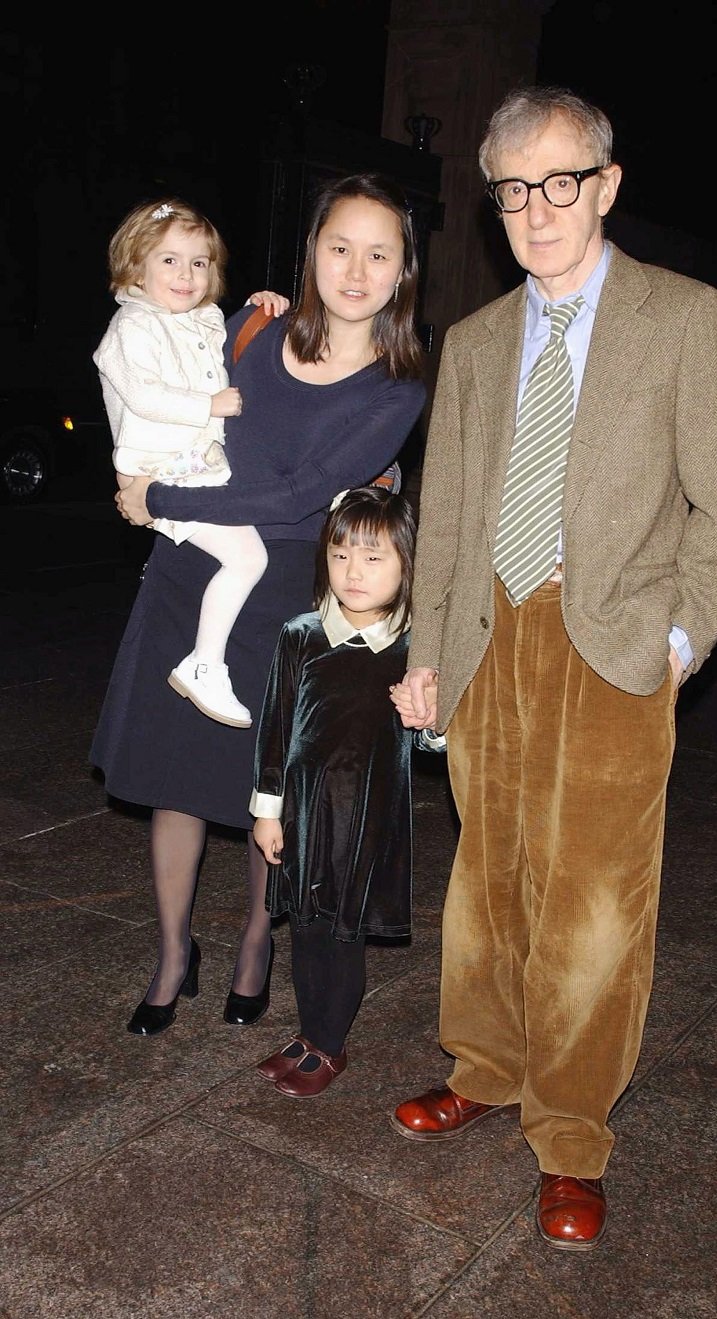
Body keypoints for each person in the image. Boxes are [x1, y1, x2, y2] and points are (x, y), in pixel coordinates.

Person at [389, 85, 717, 1251]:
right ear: (493, 201)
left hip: (608, 644)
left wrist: (677, 641)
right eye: (511, 189)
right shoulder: (476, 339)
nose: (535, 209)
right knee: (484, 879)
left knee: (595, 904)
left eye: (558, 182)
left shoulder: (683, 316)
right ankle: (487, 1064)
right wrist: (426, 655)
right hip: (488, 635)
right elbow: (441, 518)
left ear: (602, 185)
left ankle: (571, 1135)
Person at [90, 172, 427, 1038]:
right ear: (310, 251)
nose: (356, 269)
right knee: (174, 777)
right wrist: (162, 492)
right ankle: (171, 953)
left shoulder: (398, 387)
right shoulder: (250, 325)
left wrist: (161, 498)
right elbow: (156, 367)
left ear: (402, 271)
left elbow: (301, 494)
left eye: (378, 253)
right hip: (195, 569)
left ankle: (251, 941)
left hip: (283, 590)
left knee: (261, 787)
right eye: (339, 246)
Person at [251, 486, 438, 1097]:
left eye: (374, 558)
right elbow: (275, 725)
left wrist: (428, 717)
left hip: (366, 814)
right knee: (304, 923)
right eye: (340, 555)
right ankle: (307, 1031)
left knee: (343, 928)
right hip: (304, 809)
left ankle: (330, 1043)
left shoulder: (414, 649)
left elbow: (441, 736)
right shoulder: (301, 634)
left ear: (407, 565)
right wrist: (268, 809)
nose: (353, 572)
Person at [93, 197, 290, 729]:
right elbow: (142, 393)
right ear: (137, 265)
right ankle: (205, 663)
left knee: (246, 551)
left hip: (200, 465)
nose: (186, 274)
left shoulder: (199, 320)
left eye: (199, 263)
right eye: (169, 260)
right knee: (248, 559)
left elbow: (233, 351)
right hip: (162, 470)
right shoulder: (132, 326)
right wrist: (209, 405)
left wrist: (259, 308)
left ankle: (204, 657)